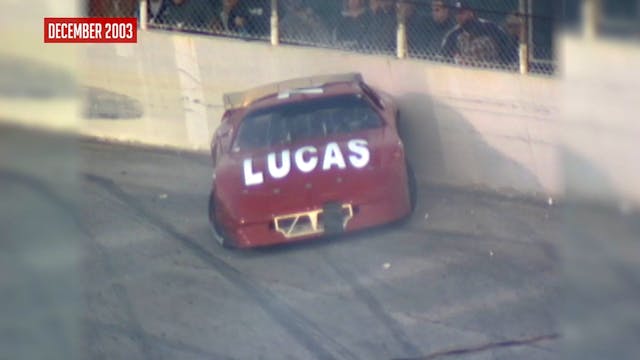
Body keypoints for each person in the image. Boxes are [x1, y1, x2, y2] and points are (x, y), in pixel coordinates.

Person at [441, 0, 512, 66]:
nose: (458, 16)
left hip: (490, 70)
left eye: (461, 12)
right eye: (456, 13)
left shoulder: (489, 27)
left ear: (471, 12)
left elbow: (506, 48)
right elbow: (445, 55)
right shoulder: (453, 34)